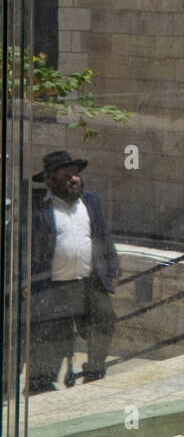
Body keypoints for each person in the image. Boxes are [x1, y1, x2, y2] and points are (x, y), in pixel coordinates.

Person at [28, 150, 120, 392]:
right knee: (53, 337)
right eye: (66, 176)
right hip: (53, 286)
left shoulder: (90, 201)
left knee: (104, 319)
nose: (74, 179)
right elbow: (26, 247)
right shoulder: (38, 208)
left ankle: (94, 370)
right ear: (51, 182)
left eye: (75, 174)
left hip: (89, 281)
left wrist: (112, 269)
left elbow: (103, 236)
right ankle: (41, 384)